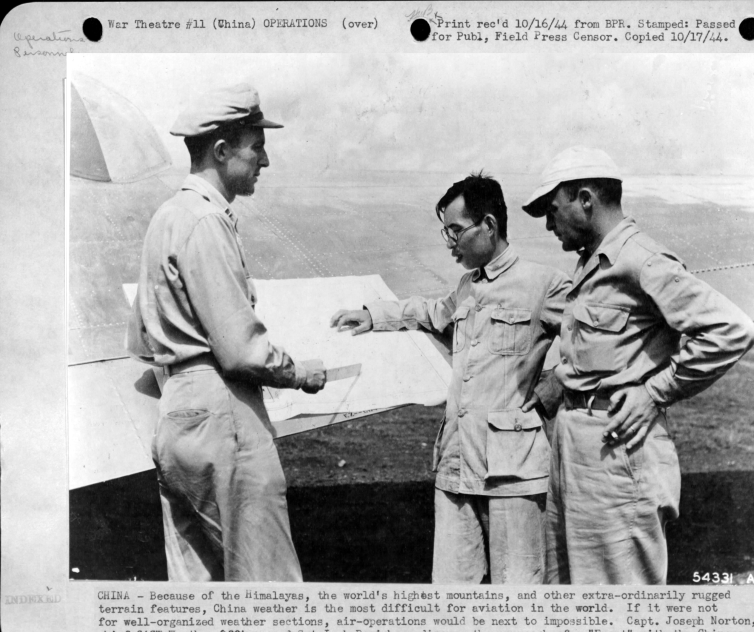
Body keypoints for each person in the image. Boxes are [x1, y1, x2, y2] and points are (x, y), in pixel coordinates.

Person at [521, 146, 754, 585]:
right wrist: (562, 379)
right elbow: (611, 346)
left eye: (552, 211)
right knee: (566, 594)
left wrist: (655, 392)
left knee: (620, 607)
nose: (549, 224)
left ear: (585, 200)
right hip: (576, 445)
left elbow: (732, 330)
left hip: (618, 454)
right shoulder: (592, 262)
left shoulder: (641, 258)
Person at [126, 83, 326, 582]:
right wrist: (301, 374)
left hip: (175, 417)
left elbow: (139, 343)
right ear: (221, 151)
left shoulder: (164, 219)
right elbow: (239, 352)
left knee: (197, 598)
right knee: (268, 588)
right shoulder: (206, 221)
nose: (265, 160)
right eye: (256, 146)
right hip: (223, 416)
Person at [330, 173, 570, 584]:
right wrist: (373, 315)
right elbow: (427, 311)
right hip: (455, 467)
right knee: (452, 598)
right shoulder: (466, 288)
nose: (449, 243)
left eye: (456, 231)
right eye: (446, 232)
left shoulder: (544, 284)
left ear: (490, 226)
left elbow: (601, 339)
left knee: (521, 599)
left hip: (512, 474)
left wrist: (558, 384)